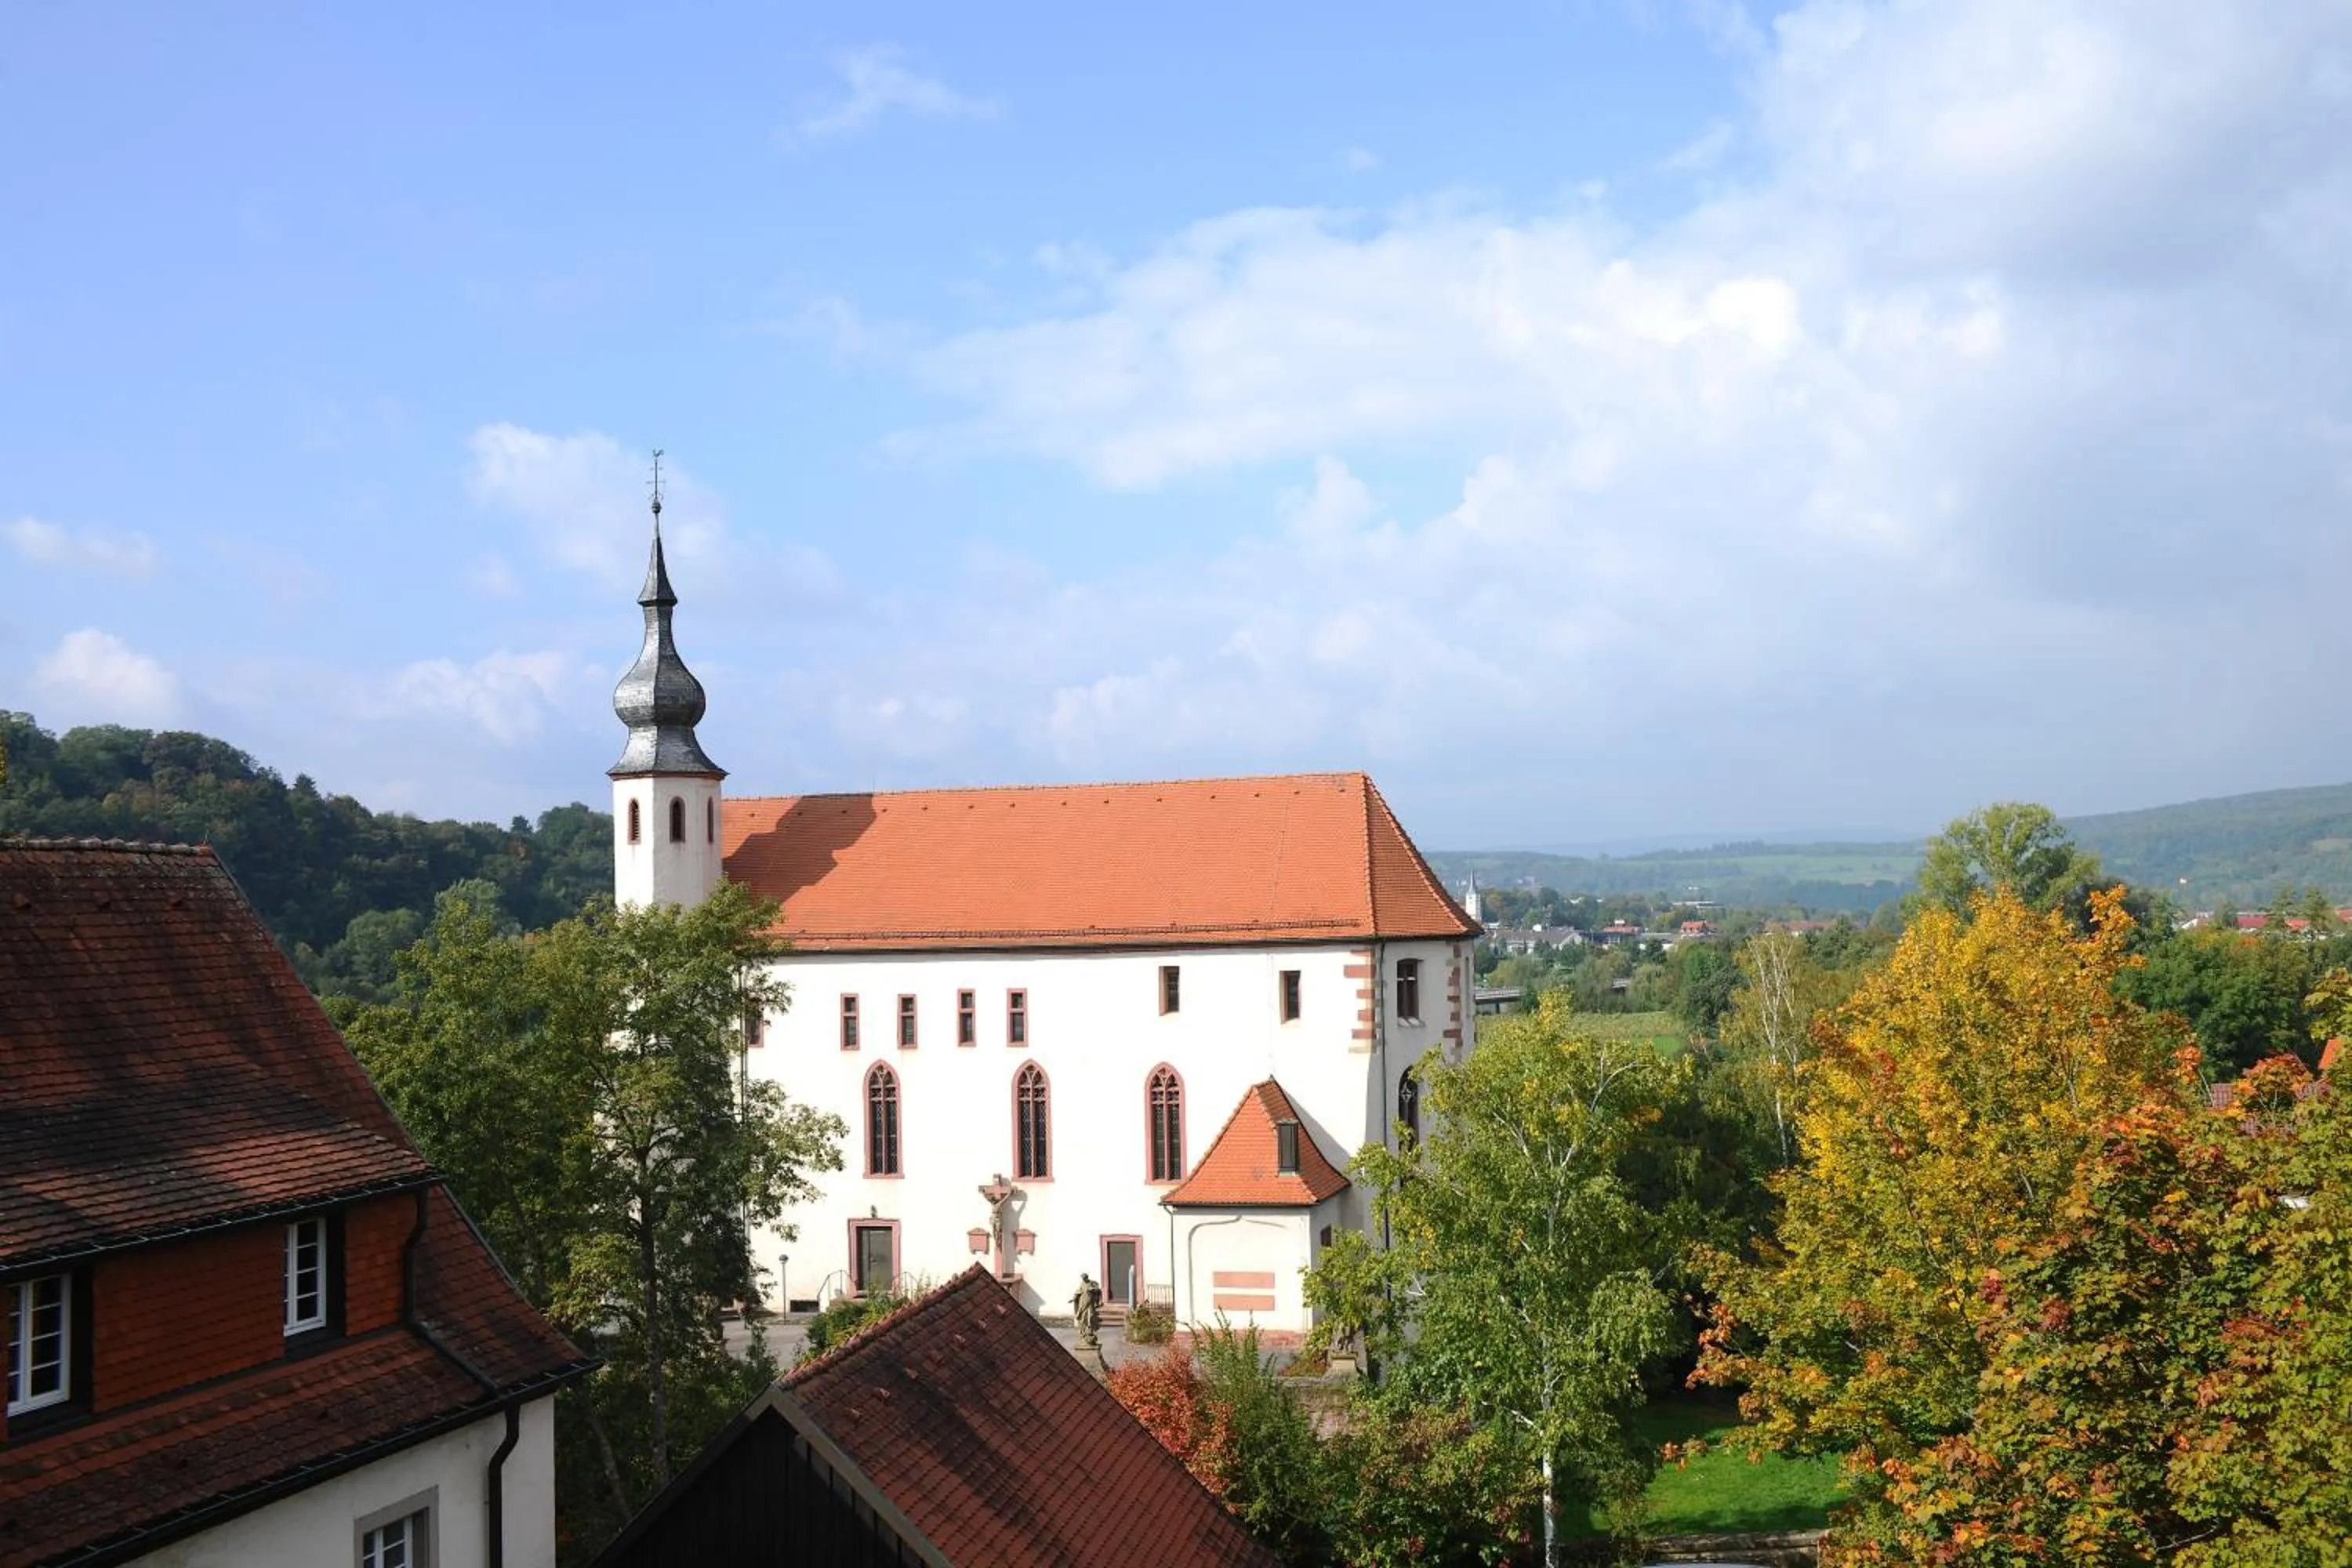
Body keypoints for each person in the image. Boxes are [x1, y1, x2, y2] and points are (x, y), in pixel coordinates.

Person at [1071, 1272, 1102, 1348]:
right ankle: (1084, 1332)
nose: (1083, 1279)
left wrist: (1093, 1289)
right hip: (1083, 1301)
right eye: (1082, 1278)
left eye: (1084, 1278)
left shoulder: (1092, 1283)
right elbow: (1078, 1292)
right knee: (1082, 1316)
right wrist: (1074, 1298)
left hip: (1090, 1302)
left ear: (1087, 1278)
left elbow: (1098, 1290)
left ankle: (1090, 1330)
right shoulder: (1082, 1284)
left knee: (1090, 1316)